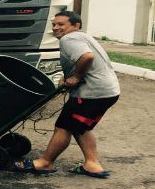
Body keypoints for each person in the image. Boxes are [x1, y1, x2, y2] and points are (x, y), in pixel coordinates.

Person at [11, 11, 120, 178]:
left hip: (92, 93)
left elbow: (87, 57)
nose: (56, 28)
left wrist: (76, 77)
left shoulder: (70, 39)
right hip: (108, 91)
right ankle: (92, 164)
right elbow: (85, 60)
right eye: (54, 24)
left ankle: (45, 162)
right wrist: (69, 76)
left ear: (76, 26)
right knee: (80, 127)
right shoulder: (83, 37)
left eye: (61, 24)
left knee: (63, 127)